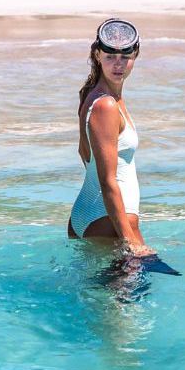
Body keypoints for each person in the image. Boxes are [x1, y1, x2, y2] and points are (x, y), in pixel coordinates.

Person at [67, 17, 151, 256]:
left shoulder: (93, 96)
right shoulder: (106, 105)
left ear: (135, 56)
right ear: (97, 56)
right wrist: (130, 241)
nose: (118, 65)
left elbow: (85, 157)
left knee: (100, 294)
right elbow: (107, 180)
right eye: (110, 57)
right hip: (110, 222)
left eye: (125, 57)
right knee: (132, 293)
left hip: (95, 214)